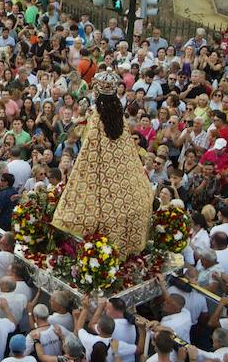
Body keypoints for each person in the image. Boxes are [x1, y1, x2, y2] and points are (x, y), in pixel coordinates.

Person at [51, 69, 154, 256]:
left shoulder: (97, 117)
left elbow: (89, 147)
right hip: (128, 183)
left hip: (102, 176)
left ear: (97, 94)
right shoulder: (119, 116)